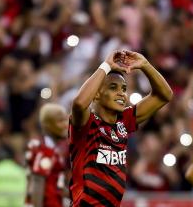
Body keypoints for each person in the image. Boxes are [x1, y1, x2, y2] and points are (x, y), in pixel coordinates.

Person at [69, 50, 173, 206]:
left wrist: (145, 65)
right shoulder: (87, 123)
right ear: (97, 94)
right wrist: (106, 66)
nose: (121, 94)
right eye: (113, 87)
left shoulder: (124, 121)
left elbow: (164, 95)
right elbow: (79, 103)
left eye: (124, 89)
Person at [25, 103, 69, 207]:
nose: (65, 124)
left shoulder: (58, 148)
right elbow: (37, 181)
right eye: (60, 121)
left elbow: (56, 183)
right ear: (47, 125)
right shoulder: (43, 150)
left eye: (65, 120)